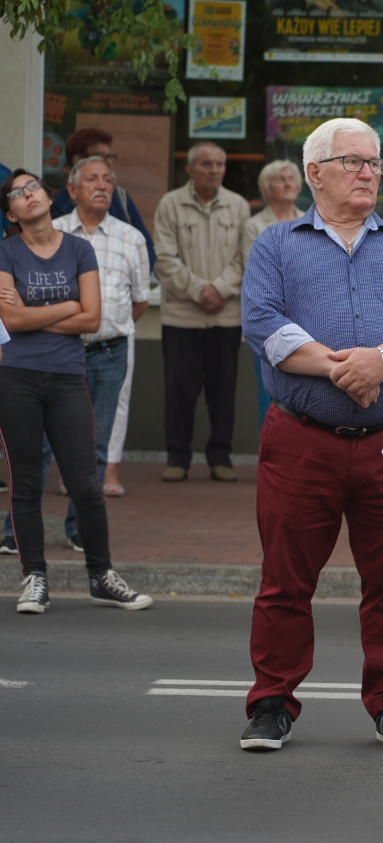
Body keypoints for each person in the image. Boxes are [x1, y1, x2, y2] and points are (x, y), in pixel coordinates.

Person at [239, 117, 383, 752]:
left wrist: (381, 359)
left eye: (375, 163)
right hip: (302, 439)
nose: (369, 174)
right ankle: (271, 701)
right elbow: (262, 322)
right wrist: (342, 365)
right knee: (286, 578)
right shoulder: (276, 244)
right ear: (314, 171)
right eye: (354, 162)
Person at [0, 169, 152, 614]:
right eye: (17, 193)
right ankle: (35, 579)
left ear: (48, 197)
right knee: (26, 483)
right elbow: (10, 322)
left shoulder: (78, 249)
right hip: (16, 378)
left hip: (67, 377)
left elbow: (92, 318)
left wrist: (36, 311)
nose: (28, 195)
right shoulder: (6, 253)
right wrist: (66, 306)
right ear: (10, 211)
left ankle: (100, 575)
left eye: (33, 188)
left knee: (86, 483)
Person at [154, 141, 249, 483]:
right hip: (182, 315)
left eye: (219, 164)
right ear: (190, 169)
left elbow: (244, 257)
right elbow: (164, 258)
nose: (214, 170)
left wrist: (220, 290)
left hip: (225, 315)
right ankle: (178, 458)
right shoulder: (170, 204)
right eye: (206, 164)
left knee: (223, 391)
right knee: (179, 389)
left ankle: (220, 457)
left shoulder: (237, 206)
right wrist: (198, 291)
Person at [242, 159, 305, 425]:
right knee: (268, 394)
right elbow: (255, 275)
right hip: (270, 321)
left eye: (292, 178)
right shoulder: (254, 226)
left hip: (306, 321)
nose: (289, 183)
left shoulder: (311, 221)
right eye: (281, 179)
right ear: (266, 189)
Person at [50, 127, 156, 268]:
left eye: (110, 156)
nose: (109, 163)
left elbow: (146, 248)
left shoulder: (120, 198)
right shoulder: (58, 205)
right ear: (77, 160)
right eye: (101, 156)